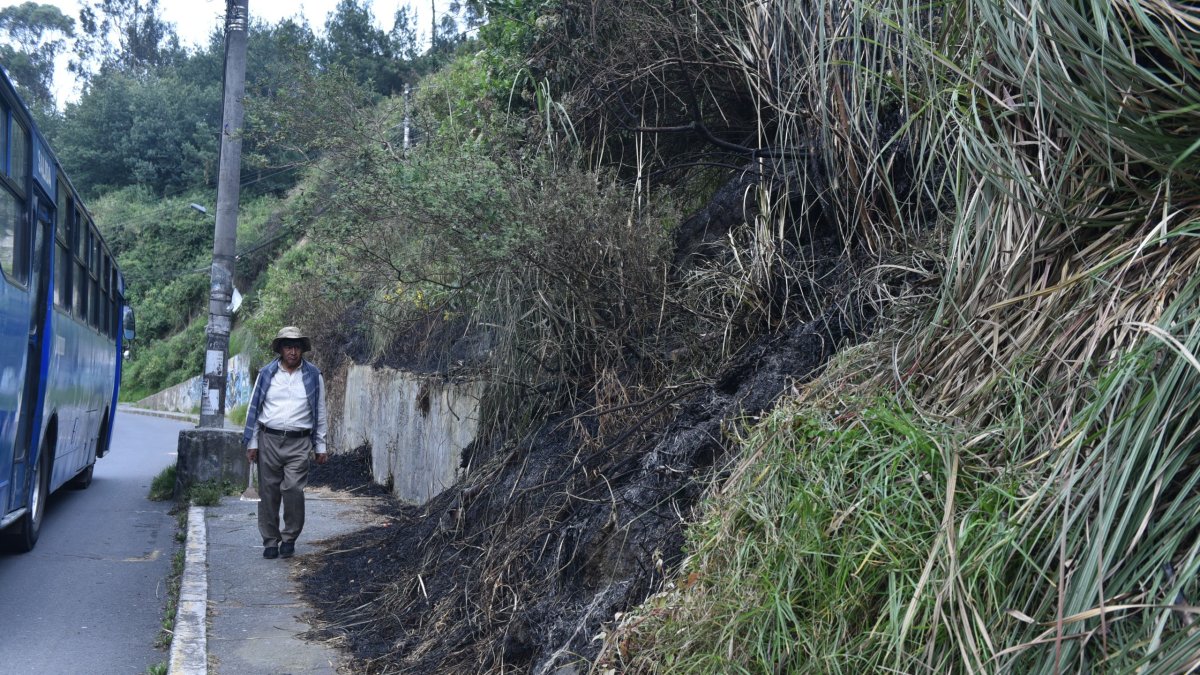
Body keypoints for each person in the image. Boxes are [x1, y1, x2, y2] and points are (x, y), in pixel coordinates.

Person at [242, 326, 329, 559]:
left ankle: (289, 537)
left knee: (293, 489)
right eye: (288, 347)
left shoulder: (314, 375)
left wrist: (320, 446)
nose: (293, 352)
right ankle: (270, 541)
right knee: (268, 492)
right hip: (268, 440)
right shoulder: (266, 374)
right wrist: (252, 442)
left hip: (299, 442)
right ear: (280, 349)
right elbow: (254, 409)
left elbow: (320, 412)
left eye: (297, 347)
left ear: (302, 350)